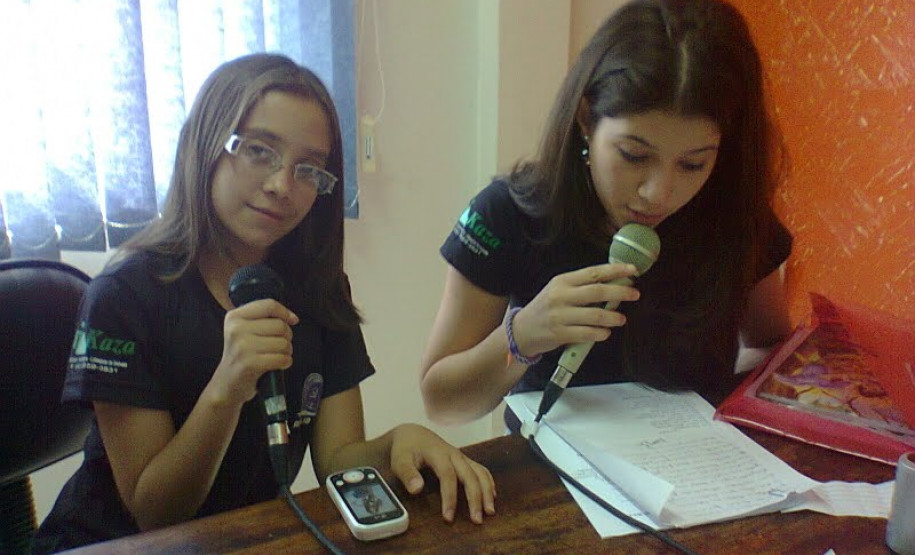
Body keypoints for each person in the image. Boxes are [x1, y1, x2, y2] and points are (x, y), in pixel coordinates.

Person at [34, 53, 495, 553]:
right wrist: (228, 386)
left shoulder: (317, 288)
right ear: (207, 144)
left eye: (308, 169)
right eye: (258, 151)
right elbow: (155, 513)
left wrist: (396, 444)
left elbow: (337, 460)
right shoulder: (125, 296)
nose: (282, 185)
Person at [420, 0, 793, 426]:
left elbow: (772, 350)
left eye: (693, 164)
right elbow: (441, 403)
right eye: (634, 155)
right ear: (586, 119)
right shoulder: (507, 213)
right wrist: (522, 336)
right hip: (553, 472)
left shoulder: (733, 212)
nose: (658, 194)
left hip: (693, 473)